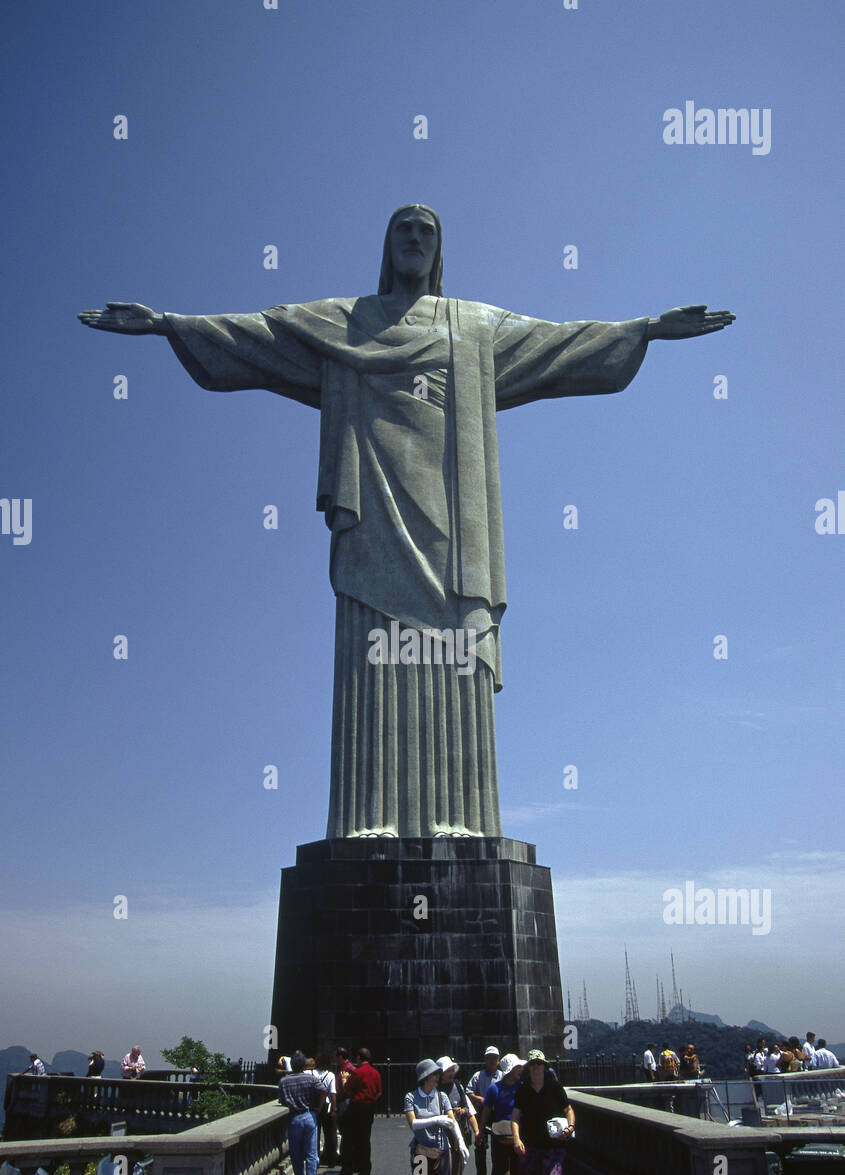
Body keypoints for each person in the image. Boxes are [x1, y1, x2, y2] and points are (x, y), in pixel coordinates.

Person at [79, 209, 733, 838]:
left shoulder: (473, 325)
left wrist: (644, 328)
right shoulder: (344, 322)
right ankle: (367, 819)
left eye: (426, 231)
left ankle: (466, 822)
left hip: (453, 519)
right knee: (374, 656)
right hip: (372, 507)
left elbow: (558, 341)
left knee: (453, 654)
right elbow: (260, 334)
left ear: (439, 249)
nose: (414, 239)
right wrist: (167, 324)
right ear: (386, 245)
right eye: (403, 229)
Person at [512, 1050, 575, 1175]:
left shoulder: (554, 1087)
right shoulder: (523, 1091)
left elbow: (568, 1110)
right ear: (529, 1068)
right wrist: (517, 1138)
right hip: (532, 1144)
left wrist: (571, 1127)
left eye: (540, 1063)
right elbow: (515, 1117)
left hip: (554, 1145)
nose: (537, 1067)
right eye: (533, 1064)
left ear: (544, 1066)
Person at [404, 1059, 468, 1175]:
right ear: (426, 1077)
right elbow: (414, 1124)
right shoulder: (411, 1097)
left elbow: (451, 1122)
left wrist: (461, 1142)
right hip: (422, 1152)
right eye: (434, 1074)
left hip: (443, 1151)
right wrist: (436, 1119)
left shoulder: (442, 1097)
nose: (438, 1077)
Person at [478, 1053, 525, 1175]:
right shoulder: (494, 1089)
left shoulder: (522, 1088)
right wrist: (480, 1131)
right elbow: (486, 1111)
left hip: (518, 1136)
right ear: (510, 1070)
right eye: (517, 1067)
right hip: (499, 1136)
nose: (520, 1070)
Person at [436, 1056, 480, 1175]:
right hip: (440, 1135)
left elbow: (467, 1109)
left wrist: (463, 1112)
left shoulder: (458, 1087)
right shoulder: (434, 1089)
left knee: (456, 1174)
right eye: (448, 1071)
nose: (451, 1073)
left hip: (457, 1135)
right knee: (439, 1173)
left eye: (452, 1070)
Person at [277, 1050, 327, 1175]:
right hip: (309, 1116)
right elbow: (323, 1090)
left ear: (291, 1065)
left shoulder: (284, 1081)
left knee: (296, 1153)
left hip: (294, 1118)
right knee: (311, 1152)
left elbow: (282, 1100)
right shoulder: (310, 1079)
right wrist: (318, 1107)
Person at [340, 1048, 382, 1175]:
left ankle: (348, 1168)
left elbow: (347, 1089)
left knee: (349, 1138)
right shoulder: (375, 1073)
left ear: (359, 1058)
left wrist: (344, 1080)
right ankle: (364, 1169)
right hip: (369, 1107)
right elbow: (379, 1092)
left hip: (356, 1106)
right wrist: (370, 1101)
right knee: (365, 1139)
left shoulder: (357, 1073)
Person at [467, 1046, 502, 1175]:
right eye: (489, 1058)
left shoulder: (503, 1075)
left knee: (498, 1148)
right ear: (485, 1060)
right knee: (480, 1146)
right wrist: (480, 1099)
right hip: (482, 1112)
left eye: (494, 1058)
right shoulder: (478, 1075)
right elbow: (468, 1092)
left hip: (497, 1113)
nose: (492, 1060)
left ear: (498, 1060)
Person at [310, 1052, 339, 1165]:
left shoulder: (311, 1073)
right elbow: (332, 1093)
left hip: (314, 1106)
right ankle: (331, 1158)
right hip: (327, 1106)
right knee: (329, 1133)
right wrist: (334, 1109)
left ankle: (315, 1156)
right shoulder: (330, 1075)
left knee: (315, 1133)